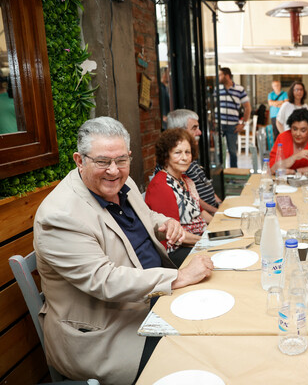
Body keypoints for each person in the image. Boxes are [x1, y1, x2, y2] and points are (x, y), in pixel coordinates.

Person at [33, 117, 214, 385]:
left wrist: (164, 222)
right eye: (102, 161)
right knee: (196, 356)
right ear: (80, 161)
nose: (114, 171)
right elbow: (105, 280)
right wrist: (178, 278)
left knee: (215, 324)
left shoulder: (122, 185)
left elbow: (146, 214)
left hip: (150, 301)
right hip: (108, 332)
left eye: (121, 160)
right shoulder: (60, 215)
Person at [146, 128, 213, 266]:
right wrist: (206, 241)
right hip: (176, 250)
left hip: (197, 240)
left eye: (187, 152)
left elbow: (200, 212)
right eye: (177, 152)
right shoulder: (161, 185)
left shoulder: (186, 180)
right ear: (166, 156)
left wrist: (218, 226)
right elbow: (173, 235)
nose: (185, 157)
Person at [160, 109, 222, 214]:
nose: (199, 132)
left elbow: (205, 184)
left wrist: (220, 203)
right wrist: (218, 212)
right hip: (204, 216)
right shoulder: (178, 163)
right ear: (179, 131)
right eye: (194, 128)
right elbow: (193, 200)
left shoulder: (189, 157)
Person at [269, 108, 308, 175]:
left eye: (303, 130)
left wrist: (294, 172)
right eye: (295, 129)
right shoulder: (283, 137)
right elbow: (272, 169)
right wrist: (294, 157)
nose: (298, 134)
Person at [216, 66, 251, 168]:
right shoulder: (217, 89)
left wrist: (243, 124)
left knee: (232, 152)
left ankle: (233, 173)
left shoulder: (239, 89)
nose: (218, 77)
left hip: (233, 126)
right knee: (219, 151)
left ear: (227, 76)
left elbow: (247, 108)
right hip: (219, 125)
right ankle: (220, 174)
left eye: (220, 75)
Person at [159, 66, 171, 131]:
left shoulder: (165, 88)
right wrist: (164, 117)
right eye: (167, 73)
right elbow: (163, 104)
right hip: (165, 123)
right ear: (163, 75)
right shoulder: (161, 89)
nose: (169, 75)